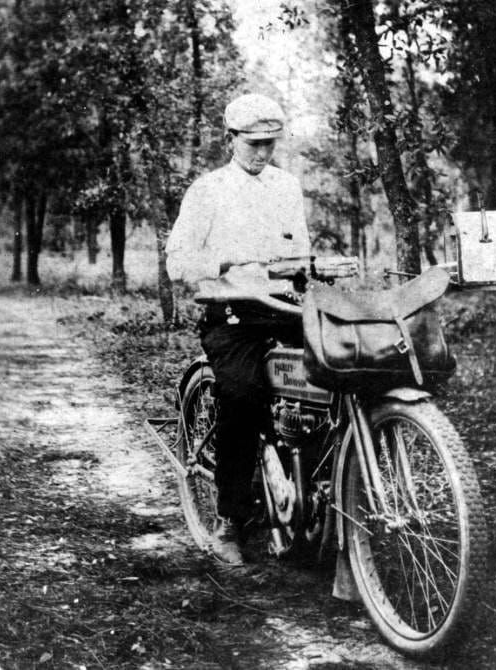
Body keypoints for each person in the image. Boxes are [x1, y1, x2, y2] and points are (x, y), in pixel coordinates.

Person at [165, 93, 311, 565]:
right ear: (230, 139)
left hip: (282, 308)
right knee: (244, 397)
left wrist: (305, 270)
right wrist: (224, 259)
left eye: (270, 144)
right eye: (253, 144)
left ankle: (311, 497)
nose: (263, 153)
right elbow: (177, 263)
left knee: (330, 378)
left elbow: (299, 252)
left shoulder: (286, 187)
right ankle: (230, 519)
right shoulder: (207, 191)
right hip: (230, 314)